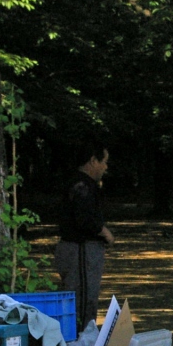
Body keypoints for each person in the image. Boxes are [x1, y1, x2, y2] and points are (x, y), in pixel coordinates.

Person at [56, 140, 114, 329]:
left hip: (82, 250)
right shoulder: (81, 186)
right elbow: (85, 219)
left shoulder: (81, 184)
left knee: (85, 298)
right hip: (80, 250)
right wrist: (103, 231)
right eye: (103, 161)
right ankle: (81, 339)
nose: (105, 167)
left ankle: (83, 337)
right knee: (82, 299)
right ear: (92, 161)